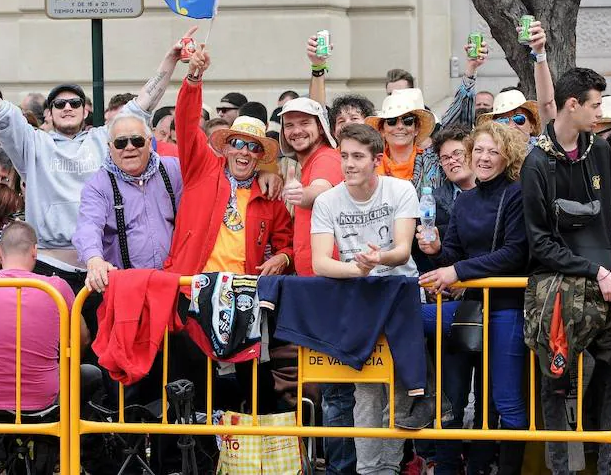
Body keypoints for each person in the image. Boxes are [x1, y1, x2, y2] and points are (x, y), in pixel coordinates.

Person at [0, 28, 194, 285]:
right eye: (59, 104)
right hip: (51, 262)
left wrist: (170, 60)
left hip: (105, 264)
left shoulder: (108, 138)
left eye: (75, 103)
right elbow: (1, 111)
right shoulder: (33, 143)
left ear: (86, 111)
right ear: (48, 114)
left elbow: (145, 102)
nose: (67, 107)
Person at [522, 67, 611, 475]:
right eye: (595, 105)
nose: (600, 113)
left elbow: (605, 224)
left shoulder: (598, 150)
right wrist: (594, 270)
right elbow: (540, 241)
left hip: (607, 286)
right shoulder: (536, 164)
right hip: (559, 291)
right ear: (572, 105)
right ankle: (560, 468)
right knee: (556, 382)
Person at [417, 121, 529, 474]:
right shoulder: (464, 201)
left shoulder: (517, 193)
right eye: (478, 150)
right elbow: (454, 252)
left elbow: (515, 253)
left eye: (492, 151)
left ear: (506, 156)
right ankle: (445, 461)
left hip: (507, 308)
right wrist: (436, 250)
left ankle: (497, 467)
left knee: (506, 401)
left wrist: (457, 272)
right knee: (451, 393)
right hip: (469, 309)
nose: (483, 157)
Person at [311, 123, 420, 475]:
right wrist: (358, 270)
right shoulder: (328, 201)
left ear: (377, 159)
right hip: (359, 296)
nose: (349, 164)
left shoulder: (401, 189)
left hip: (400, 294)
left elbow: (403, 251)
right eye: (344, 156)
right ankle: (372, 470)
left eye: (358, 156)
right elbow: (320, 262)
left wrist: (378, 259)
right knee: (369, 389)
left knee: (403, 386)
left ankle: (389, 466)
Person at [164, 46, 293, 278]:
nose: (244, 152)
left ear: (260, 156)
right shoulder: (202, 169)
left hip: (243, 295)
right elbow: (186, 124)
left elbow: (288, 242)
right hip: (189, 287)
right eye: (238, 144)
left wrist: (283, 257)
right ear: (226, 148)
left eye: (254, 147)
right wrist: (194, 78)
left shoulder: (269, 195)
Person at [0, 222, 89, 470]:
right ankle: (72, 455)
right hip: (47, 400)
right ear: (35, 252)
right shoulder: (57, 288)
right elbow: (82, 338)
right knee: (90, 376)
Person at [74, 114, 183, 292]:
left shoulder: (174, 170)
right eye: (121, 143)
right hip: (127, 289)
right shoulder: (99, 185)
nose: (130, 147)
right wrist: (94, 259)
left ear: (149, 142)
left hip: (174, 284)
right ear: (110, 148)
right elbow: (88, 226)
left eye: (137, 141)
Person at [279, 96, 342, 275]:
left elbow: (321, 190)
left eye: (304, 123)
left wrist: (301, 195)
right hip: (315, 278)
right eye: (289, 125)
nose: (297, 130)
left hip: (327, 279)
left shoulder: (325, 158)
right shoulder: (309, 162)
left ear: (321, 127)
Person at [365, 88, 442, 193]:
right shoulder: (370, 165)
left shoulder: (434, 161)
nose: (400, 126)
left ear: (416, 129)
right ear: (382, 130)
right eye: (392, 121)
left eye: (408, 121)